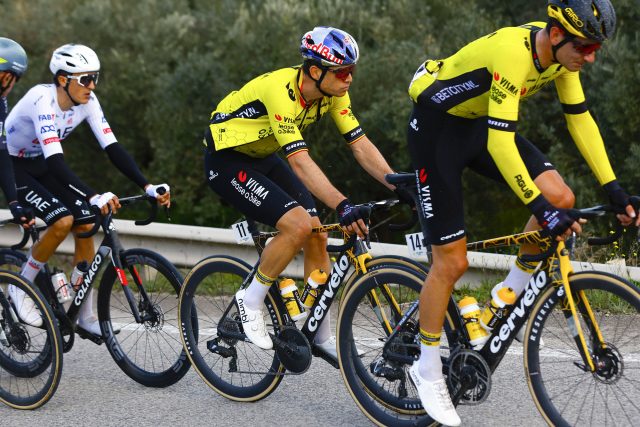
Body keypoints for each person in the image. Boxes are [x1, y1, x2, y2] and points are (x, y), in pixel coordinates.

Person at [405, 1, 633, 425]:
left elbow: (579, 120)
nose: (591, 57)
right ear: (557, 33)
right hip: (436, 134)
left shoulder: (563, 60)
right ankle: (427, 365)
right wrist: (538, 209)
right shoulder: (515, 52)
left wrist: (614, 189)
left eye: (596, 48)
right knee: (451, 262)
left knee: (562, 198)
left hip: (478, 127)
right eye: (585, 47)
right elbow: (500, 146)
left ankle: (505, 295)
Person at [204, 26, 401, 358]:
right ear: (314, 70)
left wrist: (398, 183)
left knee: (318, 235)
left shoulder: (333, 93)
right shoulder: (280, 91)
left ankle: (317, 333)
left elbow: (360, 145)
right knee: (298, 226)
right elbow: (299, 161)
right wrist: (342, 204)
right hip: (226, 161)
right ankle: (250, 299)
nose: (349, 78)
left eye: (352, 70)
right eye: (342, 71)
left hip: (262, 156)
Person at [5, 44, 170, 332]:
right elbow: (56, 161)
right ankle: (20, 288)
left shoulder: (88, 102)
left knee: (86, 221)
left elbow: (113, 147)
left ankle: (84, 315)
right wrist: (93, 195)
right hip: (13, 164)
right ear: (62, 80)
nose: (91, 86)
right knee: (62, 221)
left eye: (95, 77)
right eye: (85, 79)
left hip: (42, 164)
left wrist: (146, 184)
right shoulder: (41, 99)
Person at [0, 38, 34, 228]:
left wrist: (14, 203)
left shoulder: (0, 102)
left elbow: (1, 152)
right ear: (5, 76)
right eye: (14, 78)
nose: (13, 85)